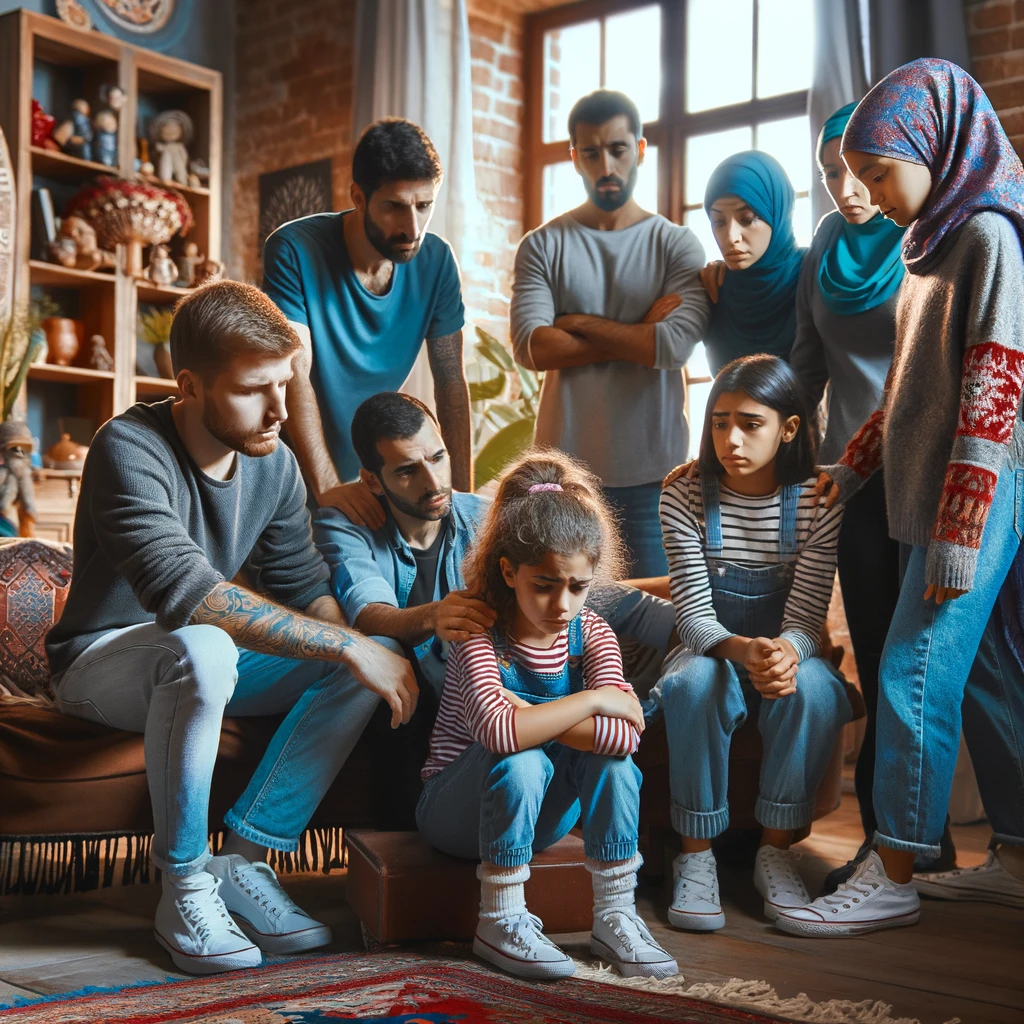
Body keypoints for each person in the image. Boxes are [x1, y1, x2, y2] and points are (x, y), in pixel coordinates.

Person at [46, 282, 419, 975]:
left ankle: (242, 865)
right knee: (209, 644)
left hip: (198, 659)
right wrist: (347, 645)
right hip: (101, 664)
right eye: (254, 389)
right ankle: (184, 886)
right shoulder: (128, 446)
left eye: (284, 383)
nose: (280, 410)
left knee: (373, 656)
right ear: (189, 385)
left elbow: (306, 586)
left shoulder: (273, 462)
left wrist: (359, 650)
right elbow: (188, 596)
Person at [779, 59, 1024, 937]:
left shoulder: (989, 239)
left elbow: (993, 395)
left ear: (933, 146)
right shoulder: (927, 247)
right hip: (929, 489)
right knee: (987, 671)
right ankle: (1018, 858)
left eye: (879, 172)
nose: (868, 193)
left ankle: (895, 867)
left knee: (912, 672)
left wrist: (960, 534)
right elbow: (907, 393)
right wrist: (850, 468)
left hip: (975, 492)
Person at [314, 391, 679, 825]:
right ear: (373, 481)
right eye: (407, 470)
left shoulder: (483, 514)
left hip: (503, 708)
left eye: (438, 458)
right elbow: (368, 613)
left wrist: (710, 632)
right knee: (385, 652)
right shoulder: (348, 523)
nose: (433, 482)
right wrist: (434, 616)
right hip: (424, 716)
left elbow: (596, 592)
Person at [415, 451, 678, 981]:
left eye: (578, 587)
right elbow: (498, 733)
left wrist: (525, 710)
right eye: (544, 584)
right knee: (523, 759)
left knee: (614, 765)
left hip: (540, 820)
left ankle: (615, 914)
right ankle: (500, 918)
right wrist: (593, 700)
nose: (562, 605)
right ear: (509, 571)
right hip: (453, 813)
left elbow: (623, 739)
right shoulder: (477, 633)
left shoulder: (593, 635)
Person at [654, 355, 851, 932]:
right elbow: (693, 617)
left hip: (783, 651)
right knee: (694, 681)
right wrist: (745, 651)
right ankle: (695, 858)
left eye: (750, 423)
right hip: (710, 650)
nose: (731, 440)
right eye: (719, 423)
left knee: (817, 688)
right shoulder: (683, 494)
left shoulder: (818, 500)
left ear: (788, 428)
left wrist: (785, 654)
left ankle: (776, 853)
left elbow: (807, 618)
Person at [510, 89, 709, 577]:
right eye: (592, 153)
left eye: (618, 150)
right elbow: (532, 347)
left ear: (639, 150)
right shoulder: (542, 245)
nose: (606, 166)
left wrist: (576, 323)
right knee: (566, 615)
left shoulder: (676, 244)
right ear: (574, 157)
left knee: (652, 612)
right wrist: (639, 333)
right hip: (563, 479)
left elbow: (672, 346)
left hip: (655, 477)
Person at [789, 102, 911, 890]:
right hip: (850, 481)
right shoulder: (823, 249)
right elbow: (806, 368)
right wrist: (776, 461)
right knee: (871, 649)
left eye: (859, 170)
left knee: (919, 662)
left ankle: (921, 839)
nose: (846, 188)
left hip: (926, 474)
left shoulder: (922, 236)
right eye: (831, 173)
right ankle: (883, 842)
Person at [263, 117, 471, 530]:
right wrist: (326, 486)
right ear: (358, 197)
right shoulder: (294, 248)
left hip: (371, 473)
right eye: (394, 206)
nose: (412, 228)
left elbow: (450, 382)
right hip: (286, 471)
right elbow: (294, 372)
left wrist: (462, 502)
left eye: (424, 205)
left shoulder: (437, 262)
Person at [699, 152, 806, 375]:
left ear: (777, 214)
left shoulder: (815, 272)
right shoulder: (715, 286)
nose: (731, 237)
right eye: (718, 222)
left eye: (747, 219)